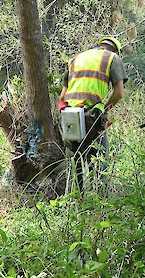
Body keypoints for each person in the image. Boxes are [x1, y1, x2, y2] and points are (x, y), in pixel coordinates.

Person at [58, 36, 128, 188]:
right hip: (92, 116)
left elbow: (62, 96)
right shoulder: (111, 58)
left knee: (73, 165)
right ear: (114, 50)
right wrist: (105, 111)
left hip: (70, 115)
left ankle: (74, 201)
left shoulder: (75, 59)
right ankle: (100, 202)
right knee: (99, 163)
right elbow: (119, 93)